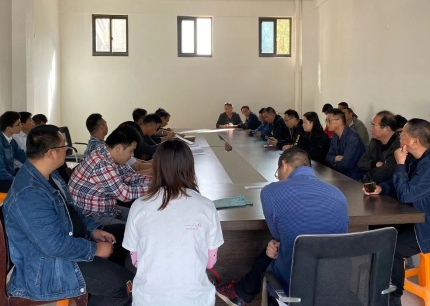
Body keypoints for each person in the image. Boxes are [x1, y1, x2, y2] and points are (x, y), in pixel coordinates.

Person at [3, 124, 134, 306]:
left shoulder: (52, 175)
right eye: (64, 146)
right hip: (51, 267)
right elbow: (53, 245)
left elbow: (73, 211)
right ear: (51, 153)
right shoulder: (29, 193)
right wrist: (94, 249)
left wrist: (93, 229)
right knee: (126, 286)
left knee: (125, 237)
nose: (67, 150)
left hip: (68, 247)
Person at [217, 148, 349, 306]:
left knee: (275, 247)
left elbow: (278, 237)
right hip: (337, 286)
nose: (278, 176)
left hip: (294, 289)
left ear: (284, 165)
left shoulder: (270, 192)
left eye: (277, 172)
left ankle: (242, 292)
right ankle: (241, 292)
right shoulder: (338, 194)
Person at [363, 118, 430, 306]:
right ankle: (379, 282)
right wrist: (382, 188)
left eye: (403, 135)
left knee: (391, 248)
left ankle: (392, 299)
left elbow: (406, 194)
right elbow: (402, 183)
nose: (399, 137)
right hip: (423, 217)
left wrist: (400, 164)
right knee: (379, 229)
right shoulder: (419, 157)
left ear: (414, 141)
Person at [123, 140, 224, 305]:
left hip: (148, 300)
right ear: (190, 167)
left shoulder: (139, 206)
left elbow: (136, 260)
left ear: (157, 167)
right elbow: (210, 262)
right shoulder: (206, 206)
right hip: (195, 300)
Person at [69, 124, 151, 225]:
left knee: (144, 216)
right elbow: (125, 194)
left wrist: (156, 181)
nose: (132, 155)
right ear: (119, 148)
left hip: (108, 208)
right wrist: (154, 187)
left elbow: (130, 176)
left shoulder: (109, 154)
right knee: (139, 225)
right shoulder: (102, 163)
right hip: (92, 216)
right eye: (131, 151)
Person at [358, 111, 401, 183]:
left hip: (384, 186)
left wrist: (369, 170)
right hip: (366, 181)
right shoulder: (374, 141)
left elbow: (386, 173)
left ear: (387, 129)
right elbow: (361, 163)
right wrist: (374, 163)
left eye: (373, 125)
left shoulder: (398, 146)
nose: (371, 129)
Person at [325, 108, 365, 180]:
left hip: (353, 177)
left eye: (329, 120)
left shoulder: (352, 137)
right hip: (339, 174)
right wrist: (336, 158)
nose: (327, 123)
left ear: (340, 121)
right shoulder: (335, 135)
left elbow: (346, 164)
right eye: (326, 120)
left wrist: (333, 161)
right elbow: (328, 157)